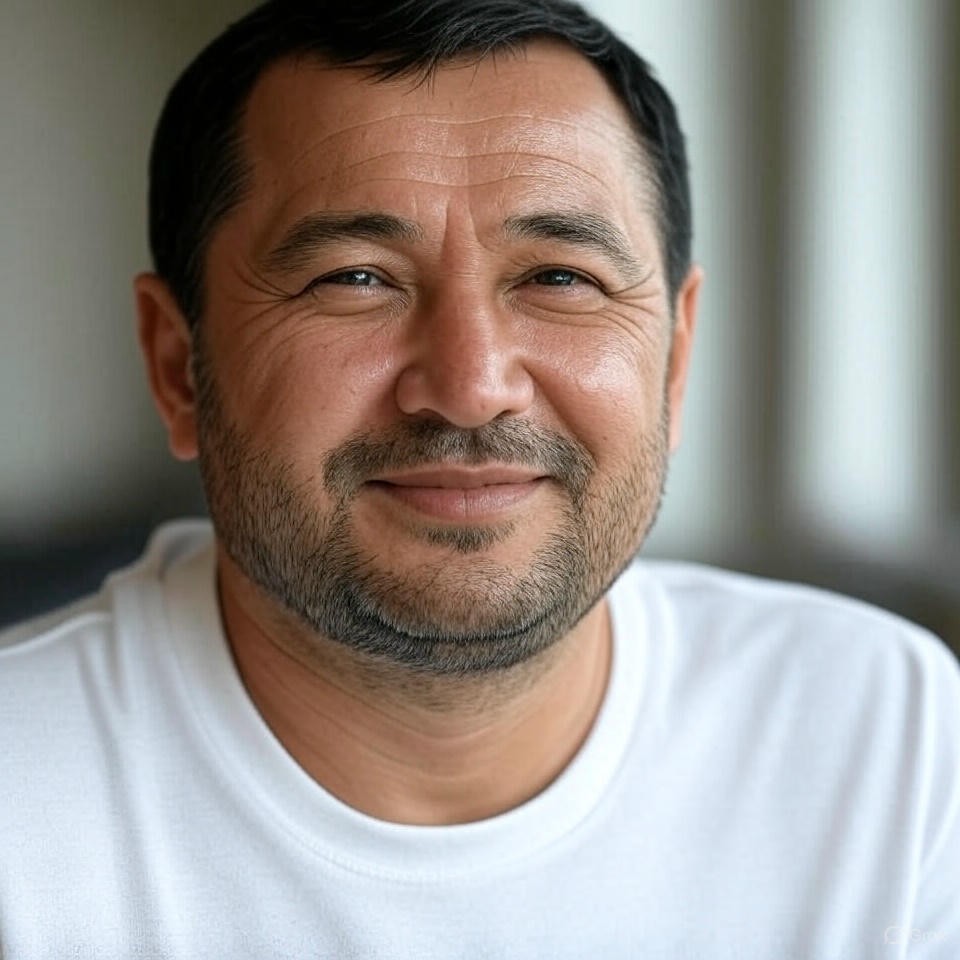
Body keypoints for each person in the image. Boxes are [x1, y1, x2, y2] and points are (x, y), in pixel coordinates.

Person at [1, 0, 957, 955]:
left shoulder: (887, 738)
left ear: (674, 358)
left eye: (560, 278)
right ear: (178, 367)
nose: (469, 388)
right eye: (355, 278)